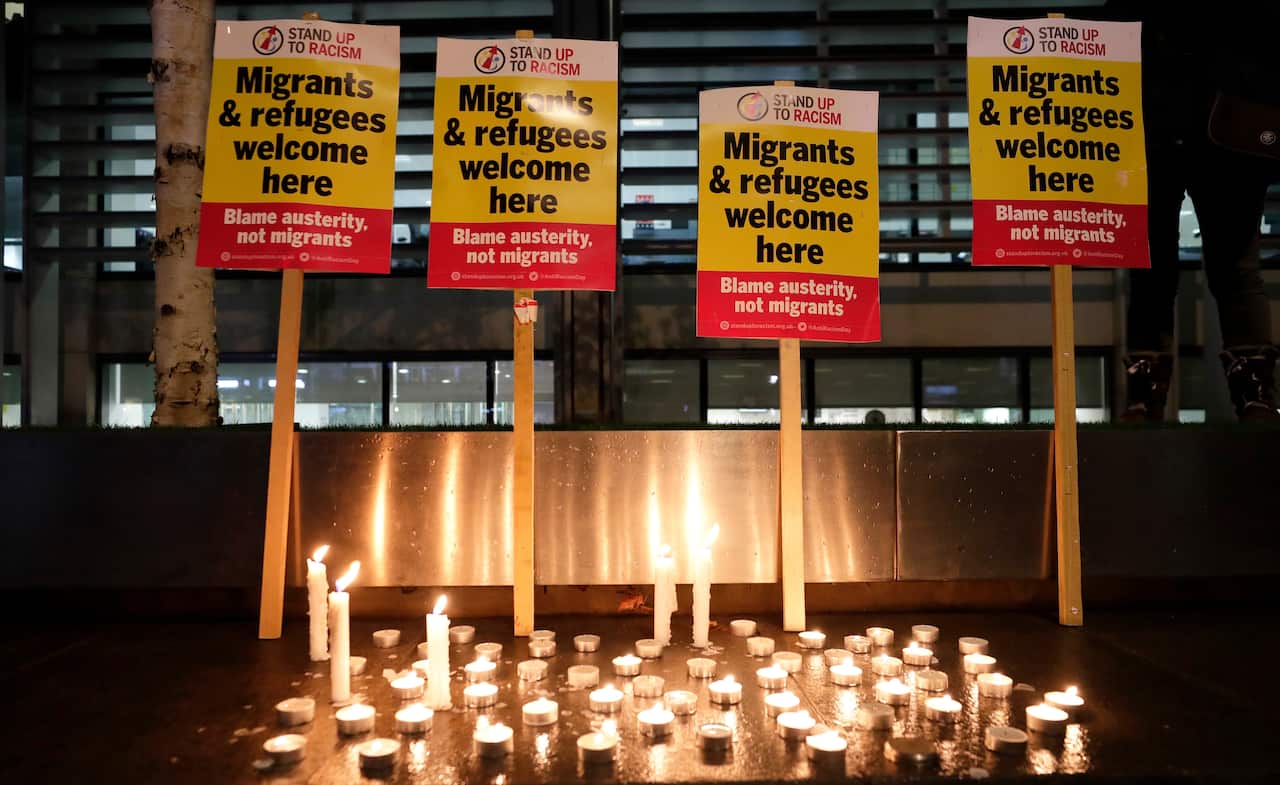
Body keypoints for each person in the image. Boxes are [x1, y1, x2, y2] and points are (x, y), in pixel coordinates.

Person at [1103, 2, 1280, 421]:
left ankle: (1146, 398)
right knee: (1229, 270)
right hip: (1212, 136)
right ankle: (1253, 396)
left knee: (1161, 271)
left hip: (1177, 133)